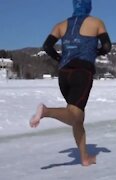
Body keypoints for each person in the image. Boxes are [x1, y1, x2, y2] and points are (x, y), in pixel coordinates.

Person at [29, 0, 111, 167]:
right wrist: (96, 52)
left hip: (64, 74)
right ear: (89, 5)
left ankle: (84, 158)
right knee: (75, 115)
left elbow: (47, 46)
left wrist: (60, 59)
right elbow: (107, 46)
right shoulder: (96, 22)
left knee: (77, 117)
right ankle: (46, 111)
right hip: (82, 73)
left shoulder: (61, 25)